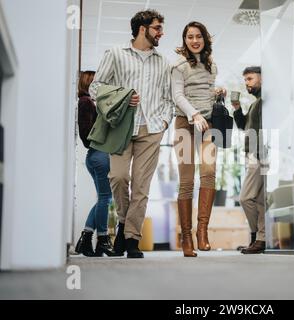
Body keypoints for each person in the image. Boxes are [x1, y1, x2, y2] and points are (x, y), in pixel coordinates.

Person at [89, 10, 174, 258]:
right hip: (120, 127)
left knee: (141, 186)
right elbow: (96, 87)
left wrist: (165, 121)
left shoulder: (163, 62)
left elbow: (168, 98)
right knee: (117, 177)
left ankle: (132, 239)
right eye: (157, 28)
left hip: (152, 128)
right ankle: (124, 223)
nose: (161, 33)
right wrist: (122, 96)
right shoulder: (115, 54)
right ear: (142, 28)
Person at [171, 21, 226, 257]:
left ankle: (202, 232)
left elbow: (205, 91)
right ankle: (186, 237)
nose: (194, 41)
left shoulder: (212, 66)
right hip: (186, 123)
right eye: (189, 37)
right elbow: (177, 95)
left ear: (205, 39)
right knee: (186, 181)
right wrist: (193, 114)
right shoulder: (179, 66)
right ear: (185, 40)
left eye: (198, 36)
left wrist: (218, 92)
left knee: (209, 172)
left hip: (208, 125)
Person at [75, 71, 115, 257]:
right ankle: (102, 240)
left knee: (103, 198)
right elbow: (85, 134)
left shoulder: (91, 102)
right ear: (89, 83)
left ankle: (87, 237)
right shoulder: (85, 102)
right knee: (105, 198)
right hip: (98, 155)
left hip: (98, 156)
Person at [232, 66, 266, 254]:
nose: (247, 83)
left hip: (259, 156)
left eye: (250, 79)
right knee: (259, 201)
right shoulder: (256, 103)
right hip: (253, 155)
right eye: (245, 80)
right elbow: (245, 126)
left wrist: (261, 157)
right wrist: (237, 109)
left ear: (262, 79)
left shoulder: (264, 102)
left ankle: (255, 235)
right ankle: (260, 240)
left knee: (245, 198)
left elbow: (264, 131)